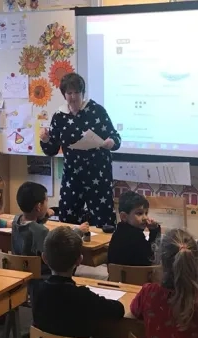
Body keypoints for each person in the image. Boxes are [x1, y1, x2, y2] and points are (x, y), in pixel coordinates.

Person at [31, 226, 135, 338]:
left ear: (44, 258)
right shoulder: (82, 296)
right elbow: (117, 310)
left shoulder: (37, 291)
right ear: (79, 260)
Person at [39, 73, 121, 228]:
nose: (73, 97)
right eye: (69, 93)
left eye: (77, 92)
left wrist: (111, 142)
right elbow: (52, 150)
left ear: (83, 93)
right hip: (72, 175)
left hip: (98, 174)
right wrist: (45, 140)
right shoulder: (59, 116)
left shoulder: (97, 111)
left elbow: (116, 137)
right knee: (68, 218)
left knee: (102, 220)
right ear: (64, 95)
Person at [12, 181, 88, 277]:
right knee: (67, 258)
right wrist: (78, 231)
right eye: (46, 201)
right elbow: (64, 246)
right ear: (39, 206)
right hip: (42, 277)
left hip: (21, 274)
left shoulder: (16, 220)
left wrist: (44, 216)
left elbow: (32, 227)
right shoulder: (42, 231)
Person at [107, 191, 160, 266]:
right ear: (124, 216)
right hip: (139, 274)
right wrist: (154, 231)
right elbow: (152, 256)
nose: (145, 218)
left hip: (116, 274)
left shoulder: (117, 233)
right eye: (139, 213)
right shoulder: (136, 237)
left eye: (146, 213)